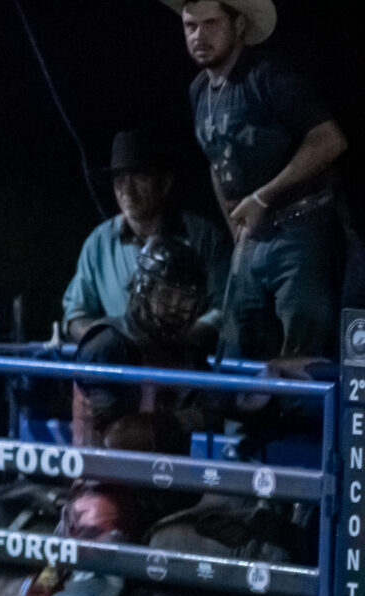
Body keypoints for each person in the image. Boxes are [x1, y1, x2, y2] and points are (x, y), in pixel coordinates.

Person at [171, 0, 348, 361]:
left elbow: (329, 139)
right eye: (191, 26)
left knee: (301, 350)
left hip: (300, 228)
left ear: (238, 26)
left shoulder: (267, 77)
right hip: (253, 237)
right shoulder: (199, 91)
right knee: (237, 348)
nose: (199, 35)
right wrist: (234, 224)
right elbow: (216, 159)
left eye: (211, 24)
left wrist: (264, 197)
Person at [60, 132, 232, 342]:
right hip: (119, 358)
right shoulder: (99, 242)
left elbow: (225, 308)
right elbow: (75, 316)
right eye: (119, 179)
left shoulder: (203, 236)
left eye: (140, 177)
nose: (127, 190)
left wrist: (176, 343)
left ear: (165, 183)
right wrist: (109, 338)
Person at [72, 235, 213, 443]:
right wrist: (189, 420)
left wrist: (241, 400)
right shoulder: (108, 345)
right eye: (167, 295)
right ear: (144, 289)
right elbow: (117, 439)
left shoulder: (187, 351)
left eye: (186, 299)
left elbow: (213, 408)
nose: (175, 307)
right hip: (109, 463)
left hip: (169, 462)